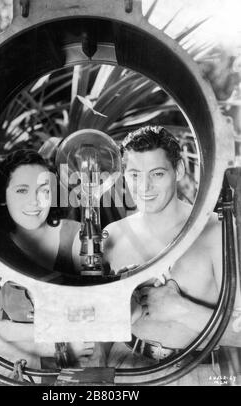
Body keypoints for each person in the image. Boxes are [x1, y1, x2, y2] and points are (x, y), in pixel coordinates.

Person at [101, 126, 241, 385]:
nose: (144, 186)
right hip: (126, 368)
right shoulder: (113, 236)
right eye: (134, 174)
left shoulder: (217, 232)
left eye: (157, 173)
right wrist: (122, 302)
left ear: (178, 171)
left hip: (198, 372)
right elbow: (95, 323)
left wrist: (180, 309)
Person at [0, 149, 94, 385]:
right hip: (13, 370)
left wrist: (11, 331)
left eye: (44, 191)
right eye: (21, 191)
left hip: (77, 375)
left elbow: (96, 322)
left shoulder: (78, 237)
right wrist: (59, 344)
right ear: (2, 196)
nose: (35, 201)